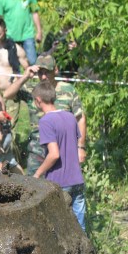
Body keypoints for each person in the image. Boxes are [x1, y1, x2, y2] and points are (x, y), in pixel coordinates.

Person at [31, 81, 86, 230]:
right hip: (77, 180)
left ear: (38, 100)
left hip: (59, 183)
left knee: (61, 230)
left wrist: (37, 173)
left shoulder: (45, 121)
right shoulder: (70, 117)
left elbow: (54, 154)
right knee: (80, 229)